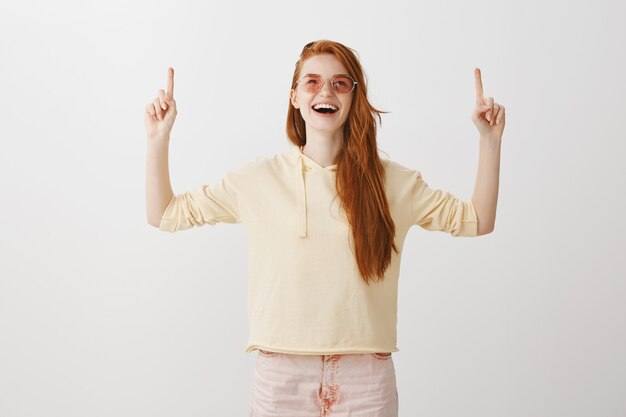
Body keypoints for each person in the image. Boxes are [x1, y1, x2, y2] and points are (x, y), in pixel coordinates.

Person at [145, 39, 505, 417]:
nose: (326, 91)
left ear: (353, 96)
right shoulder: (256, 179)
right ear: (295, 97)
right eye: (312, 82)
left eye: (340, 83)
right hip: (281, 376)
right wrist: (158, 138)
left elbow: (476, 220)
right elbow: (165, 214)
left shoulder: (394, 183)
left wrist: (489, 142)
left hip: (365, 378)